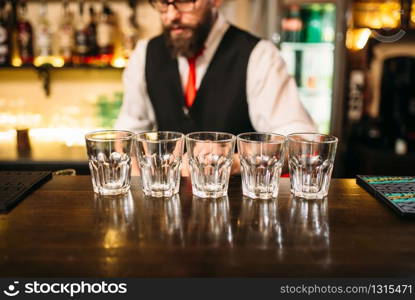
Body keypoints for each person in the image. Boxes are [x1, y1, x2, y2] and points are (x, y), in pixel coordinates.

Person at [115, 0, 316, 174]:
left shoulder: (259, 55)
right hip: (167, 211)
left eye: (185, 1)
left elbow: (301, 141)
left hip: (239, 212)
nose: (172, 15)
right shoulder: (144, 54)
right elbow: (127, 132)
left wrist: (235, 162)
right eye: (162, 3)